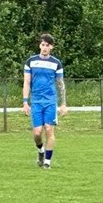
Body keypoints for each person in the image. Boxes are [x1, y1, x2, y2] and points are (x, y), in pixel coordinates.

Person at [22, 34, 68, 169]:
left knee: (49, 129)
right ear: (39, 45)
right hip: (36, 101)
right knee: (37, 133)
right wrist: (25, 102)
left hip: (50, 101)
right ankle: (41, 151)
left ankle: (47, 162)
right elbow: (26, 82)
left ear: (51, 47)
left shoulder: (56, 63)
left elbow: (60, 84)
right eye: (42, 45)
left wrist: (63, 104)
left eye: (47, 45)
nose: (44, 48)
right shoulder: (31, 61)